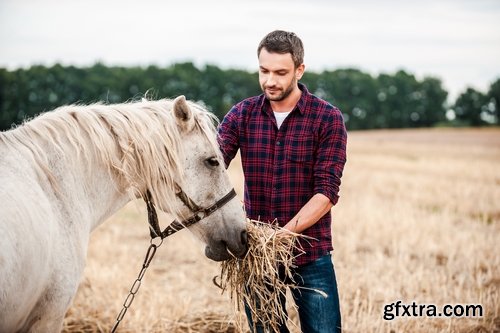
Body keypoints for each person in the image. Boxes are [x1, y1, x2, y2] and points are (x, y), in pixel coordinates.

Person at [217, 30, 347, 333]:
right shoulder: (241, 114)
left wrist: (280, 237)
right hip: (257, 259)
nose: (270, 81)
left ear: (299, 70)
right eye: (264, 71)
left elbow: (326, 192)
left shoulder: (327, 119)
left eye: (280, 72)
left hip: (310, 255)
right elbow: (213, 165)